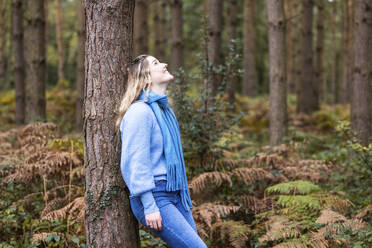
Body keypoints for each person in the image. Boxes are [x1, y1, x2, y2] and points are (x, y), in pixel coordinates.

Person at [115, 54, 207, 248]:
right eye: (156, 63)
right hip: (154, 196)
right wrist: (149, 205)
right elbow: (135, 162)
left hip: (174, 191)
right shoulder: (140, 112)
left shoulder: (164, 111)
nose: (165, 64)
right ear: (146, 77)